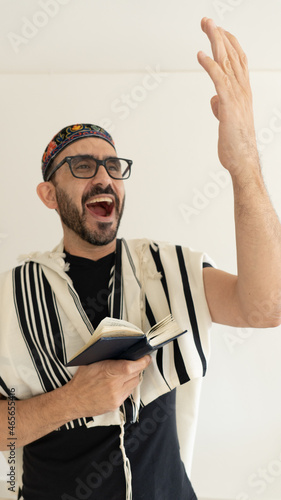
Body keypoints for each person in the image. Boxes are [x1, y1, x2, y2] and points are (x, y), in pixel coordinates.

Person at [1, 17, 281, 500]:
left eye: (113, 166)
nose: (104, 177)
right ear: (49, 194)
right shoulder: (8, 294)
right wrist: (73, 400)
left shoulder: (169, 268)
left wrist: (244, 162)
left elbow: (267, 306)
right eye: (83, 166)